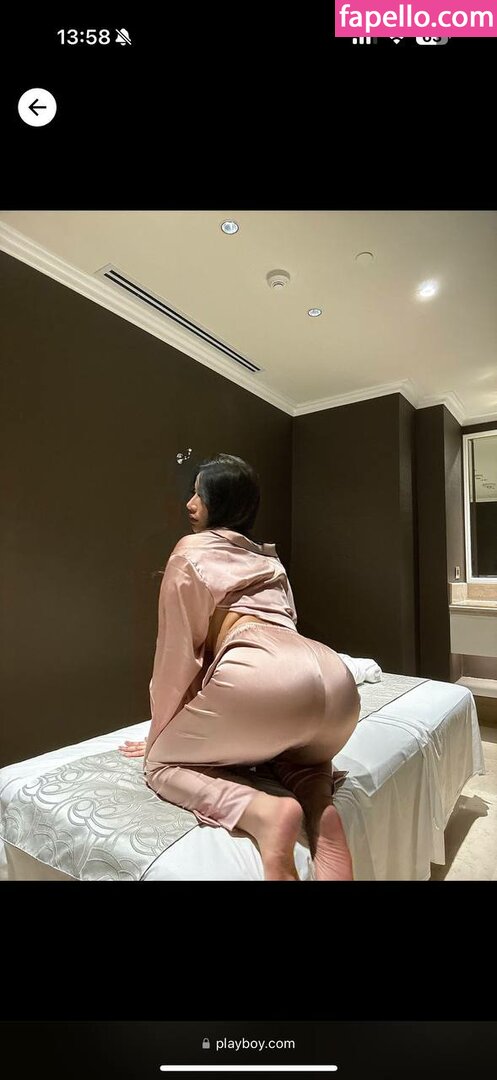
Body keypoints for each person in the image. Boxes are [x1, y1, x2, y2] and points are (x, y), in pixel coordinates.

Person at [119, 453, 360, 881]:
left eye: (200, 494)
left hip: (265, 673)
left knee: (160, 765)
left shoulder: (191, 551)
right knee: (290, 753)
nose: (190, 503)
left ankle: (265, 814)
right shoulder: (269, 561)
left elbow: (177, 657)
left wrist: (160, 736)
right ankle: (318, 802)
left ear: (223, 502)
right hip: (336, 684)